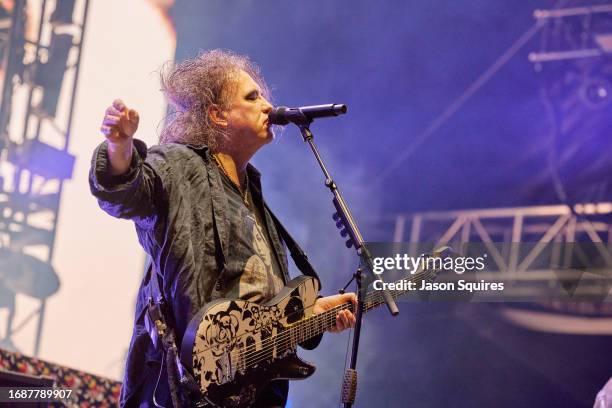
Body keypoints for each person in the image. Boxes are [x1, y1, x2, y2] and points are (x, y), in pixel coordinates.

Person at [89, 49, 356, 407]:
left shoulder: (253, 193)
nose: (267, 105)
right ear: (217, 115)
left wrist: (312, 313)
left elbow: (259, 305)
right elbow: (128, 193)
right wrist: (119, 146)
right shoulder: (179, 163)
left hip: (255, 392)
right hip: (190, 385)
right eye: (252, 97)